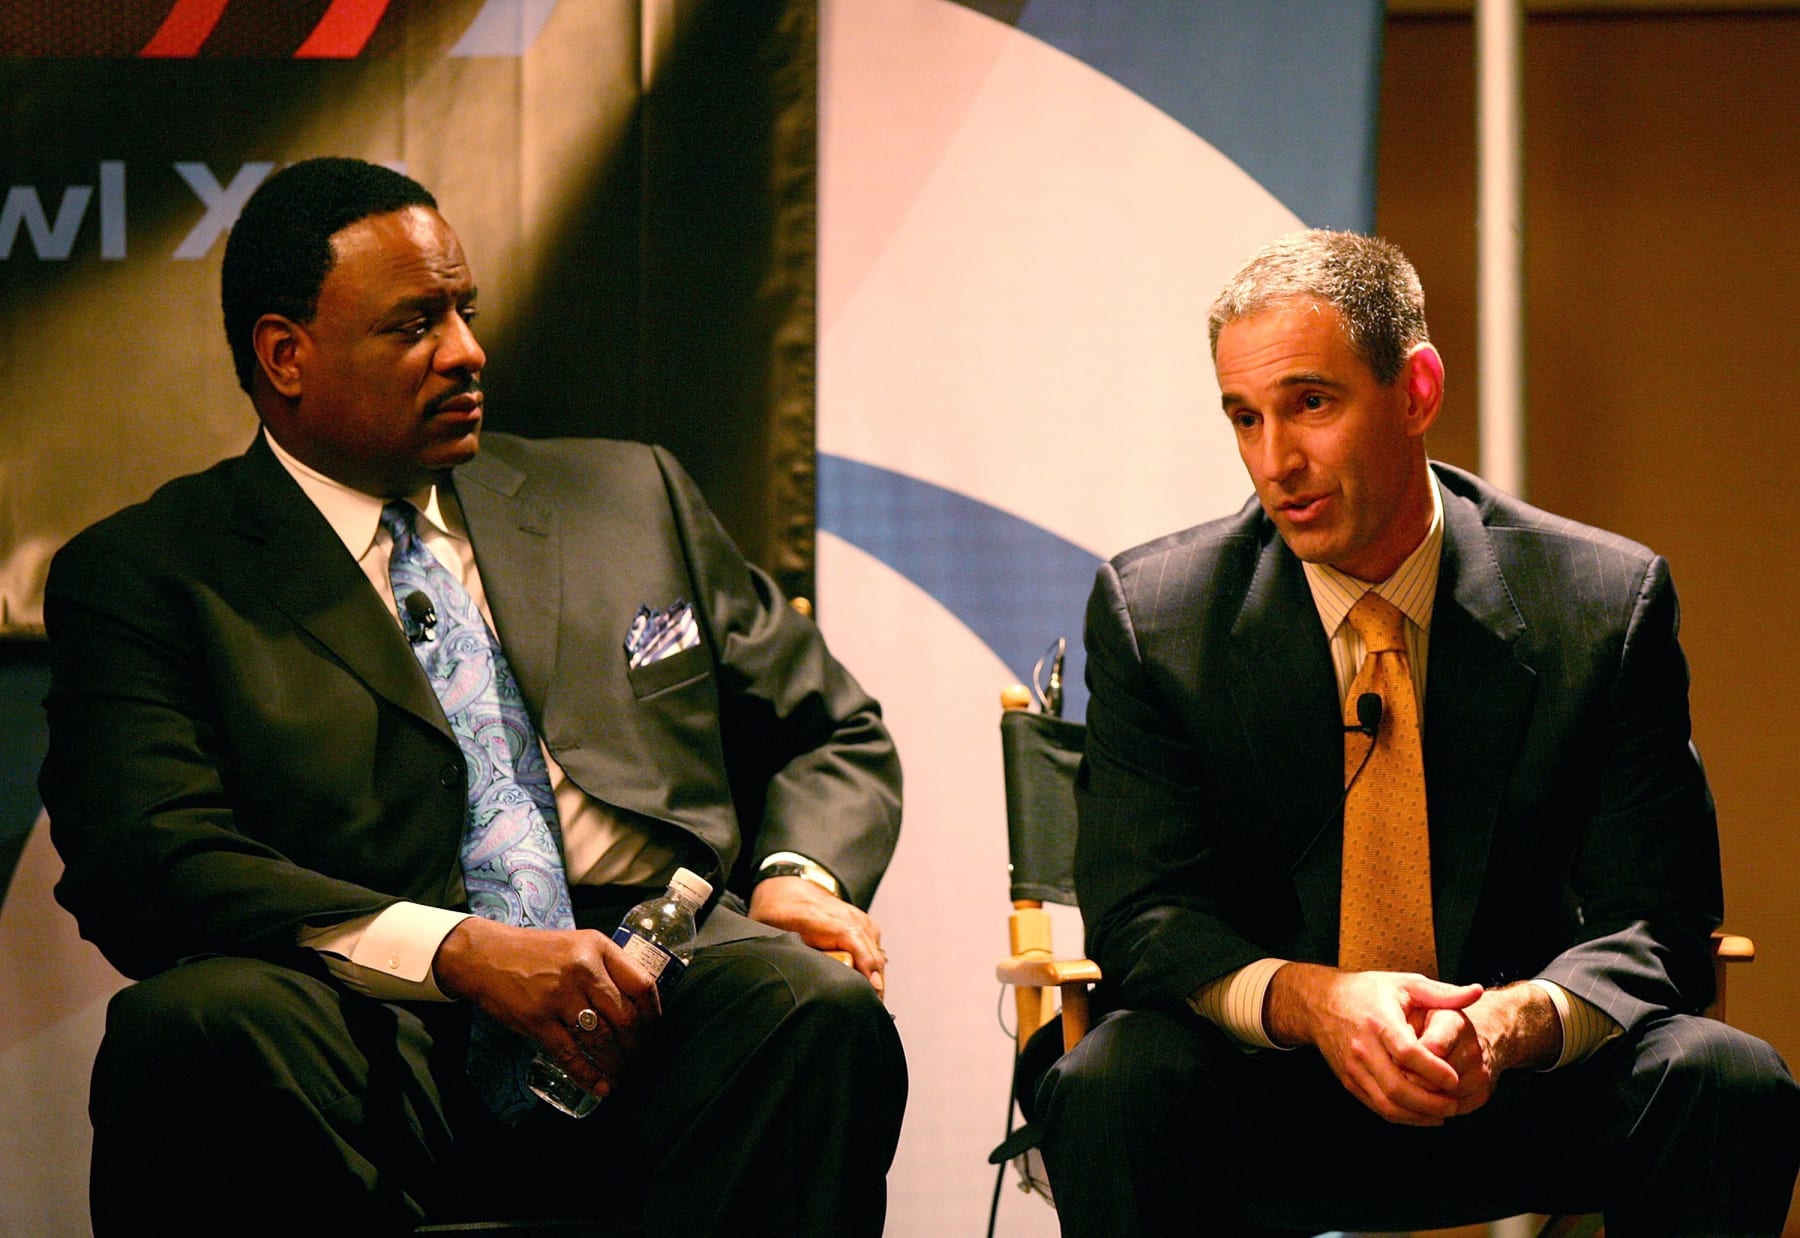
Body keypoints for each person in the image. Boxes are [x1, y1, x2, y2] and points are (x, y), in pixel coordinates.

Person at [39, 156, 906, 1235]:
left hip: (648, 978)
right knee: (199, 1023)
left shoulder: (628, 495)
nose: (467, 352)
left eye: (465, 310)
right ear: (284, 355)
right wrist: (455, 950)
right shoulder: (154, 572)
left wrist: (794, 877)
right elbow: (148, 858)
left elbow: (830, 727)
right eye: (414, 325)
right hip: (366, 1007)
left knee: (805, 1002)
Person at [1033, 230, 1800, 1236]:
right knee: (1111, 1079)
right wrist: (1317, 1002)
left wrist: (1512, 1021)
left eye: (1312, 403)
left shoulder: (1601, 603)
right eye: (1245, 417)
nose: (1277, 461)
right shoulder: (1159, 616)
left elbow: (1660, 918)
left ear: (1418, 391)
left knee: (1726, 1076)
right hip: (1272, 1085)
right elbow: (1142, 919)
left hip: (1516, 1079)